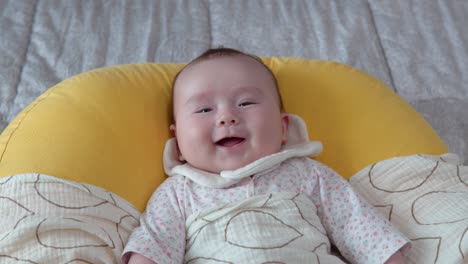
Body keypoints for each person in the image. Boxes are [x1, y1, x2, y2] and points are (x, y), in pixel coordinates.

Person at [122, 48, 409, 264]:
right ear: (178, 141)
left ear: (283, 128)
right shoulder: (179, 193)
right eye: (204, 110)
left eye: (245, 102)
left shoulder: (307, 173)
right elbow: (153, 247)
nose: (227, 117)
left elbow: (360, 227)